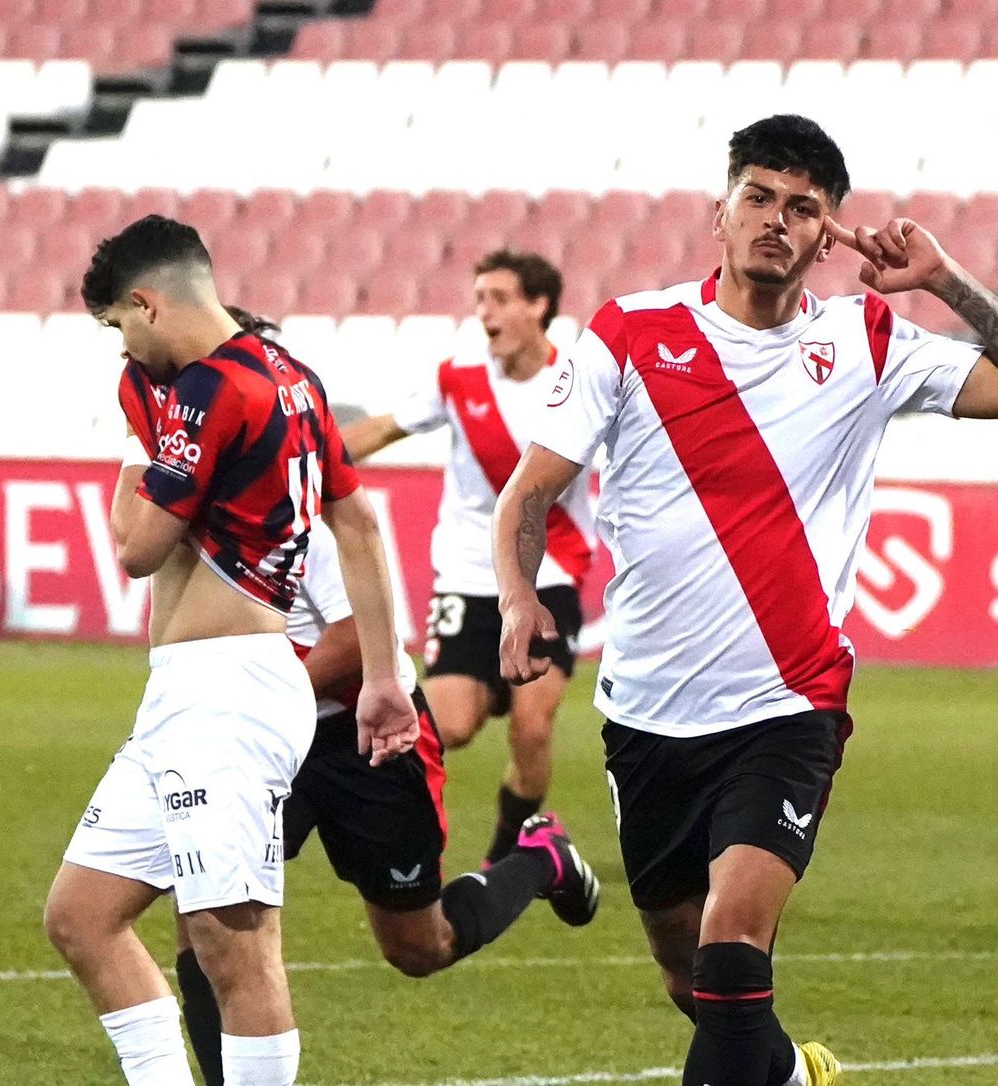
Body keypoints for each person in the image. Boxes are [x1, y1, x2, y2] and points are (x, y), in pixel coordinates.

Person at [492, 114, 998, 1086]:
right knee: (694, 983)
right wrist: (518, 598)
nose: (776, 220)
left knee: (731, 949)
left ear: (828, 234)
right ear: (716, 212)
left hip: (786, 709)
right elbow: (529, 493)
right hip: (644, 714)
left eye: (803, 208)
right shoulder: (632, 332)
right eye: (758, 197)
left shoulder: (869, 339)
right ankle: (800, 1078)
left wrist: (941, 280)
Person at [137, 307, 600, 1086]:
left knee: (418, 948)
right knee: (206, 923)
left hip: (365, 741)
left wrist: (259, 687)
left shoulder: (304, 511)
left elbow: (356, 639)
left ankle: (538, 859)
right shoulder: (200, 504)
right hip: (265, 742)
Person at [42, 214, 420, 1086]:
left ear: (145, 303)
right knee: (83, 914)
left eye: (118, 328)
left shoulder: (207, 393)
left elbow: (136, 550)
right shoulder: (290, 376)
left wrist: (135, 447)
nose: (123, 351)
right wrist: (386, 676)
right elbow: (357, 523)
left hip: (229, 695)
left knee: (233, 942)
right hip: (191, 695)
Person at [343, 250, 596, 869]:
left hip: (547, 574)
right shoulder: (457, 377)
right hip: (465, 576)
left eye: (501, 298)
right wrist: (295, 457)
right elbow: (380, 430)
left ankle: (510, 855)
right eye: (480, 297)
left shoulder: (580, 380)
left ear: (539, 307)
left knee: (533, 727)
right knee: (448, 726)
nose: (485, 312)